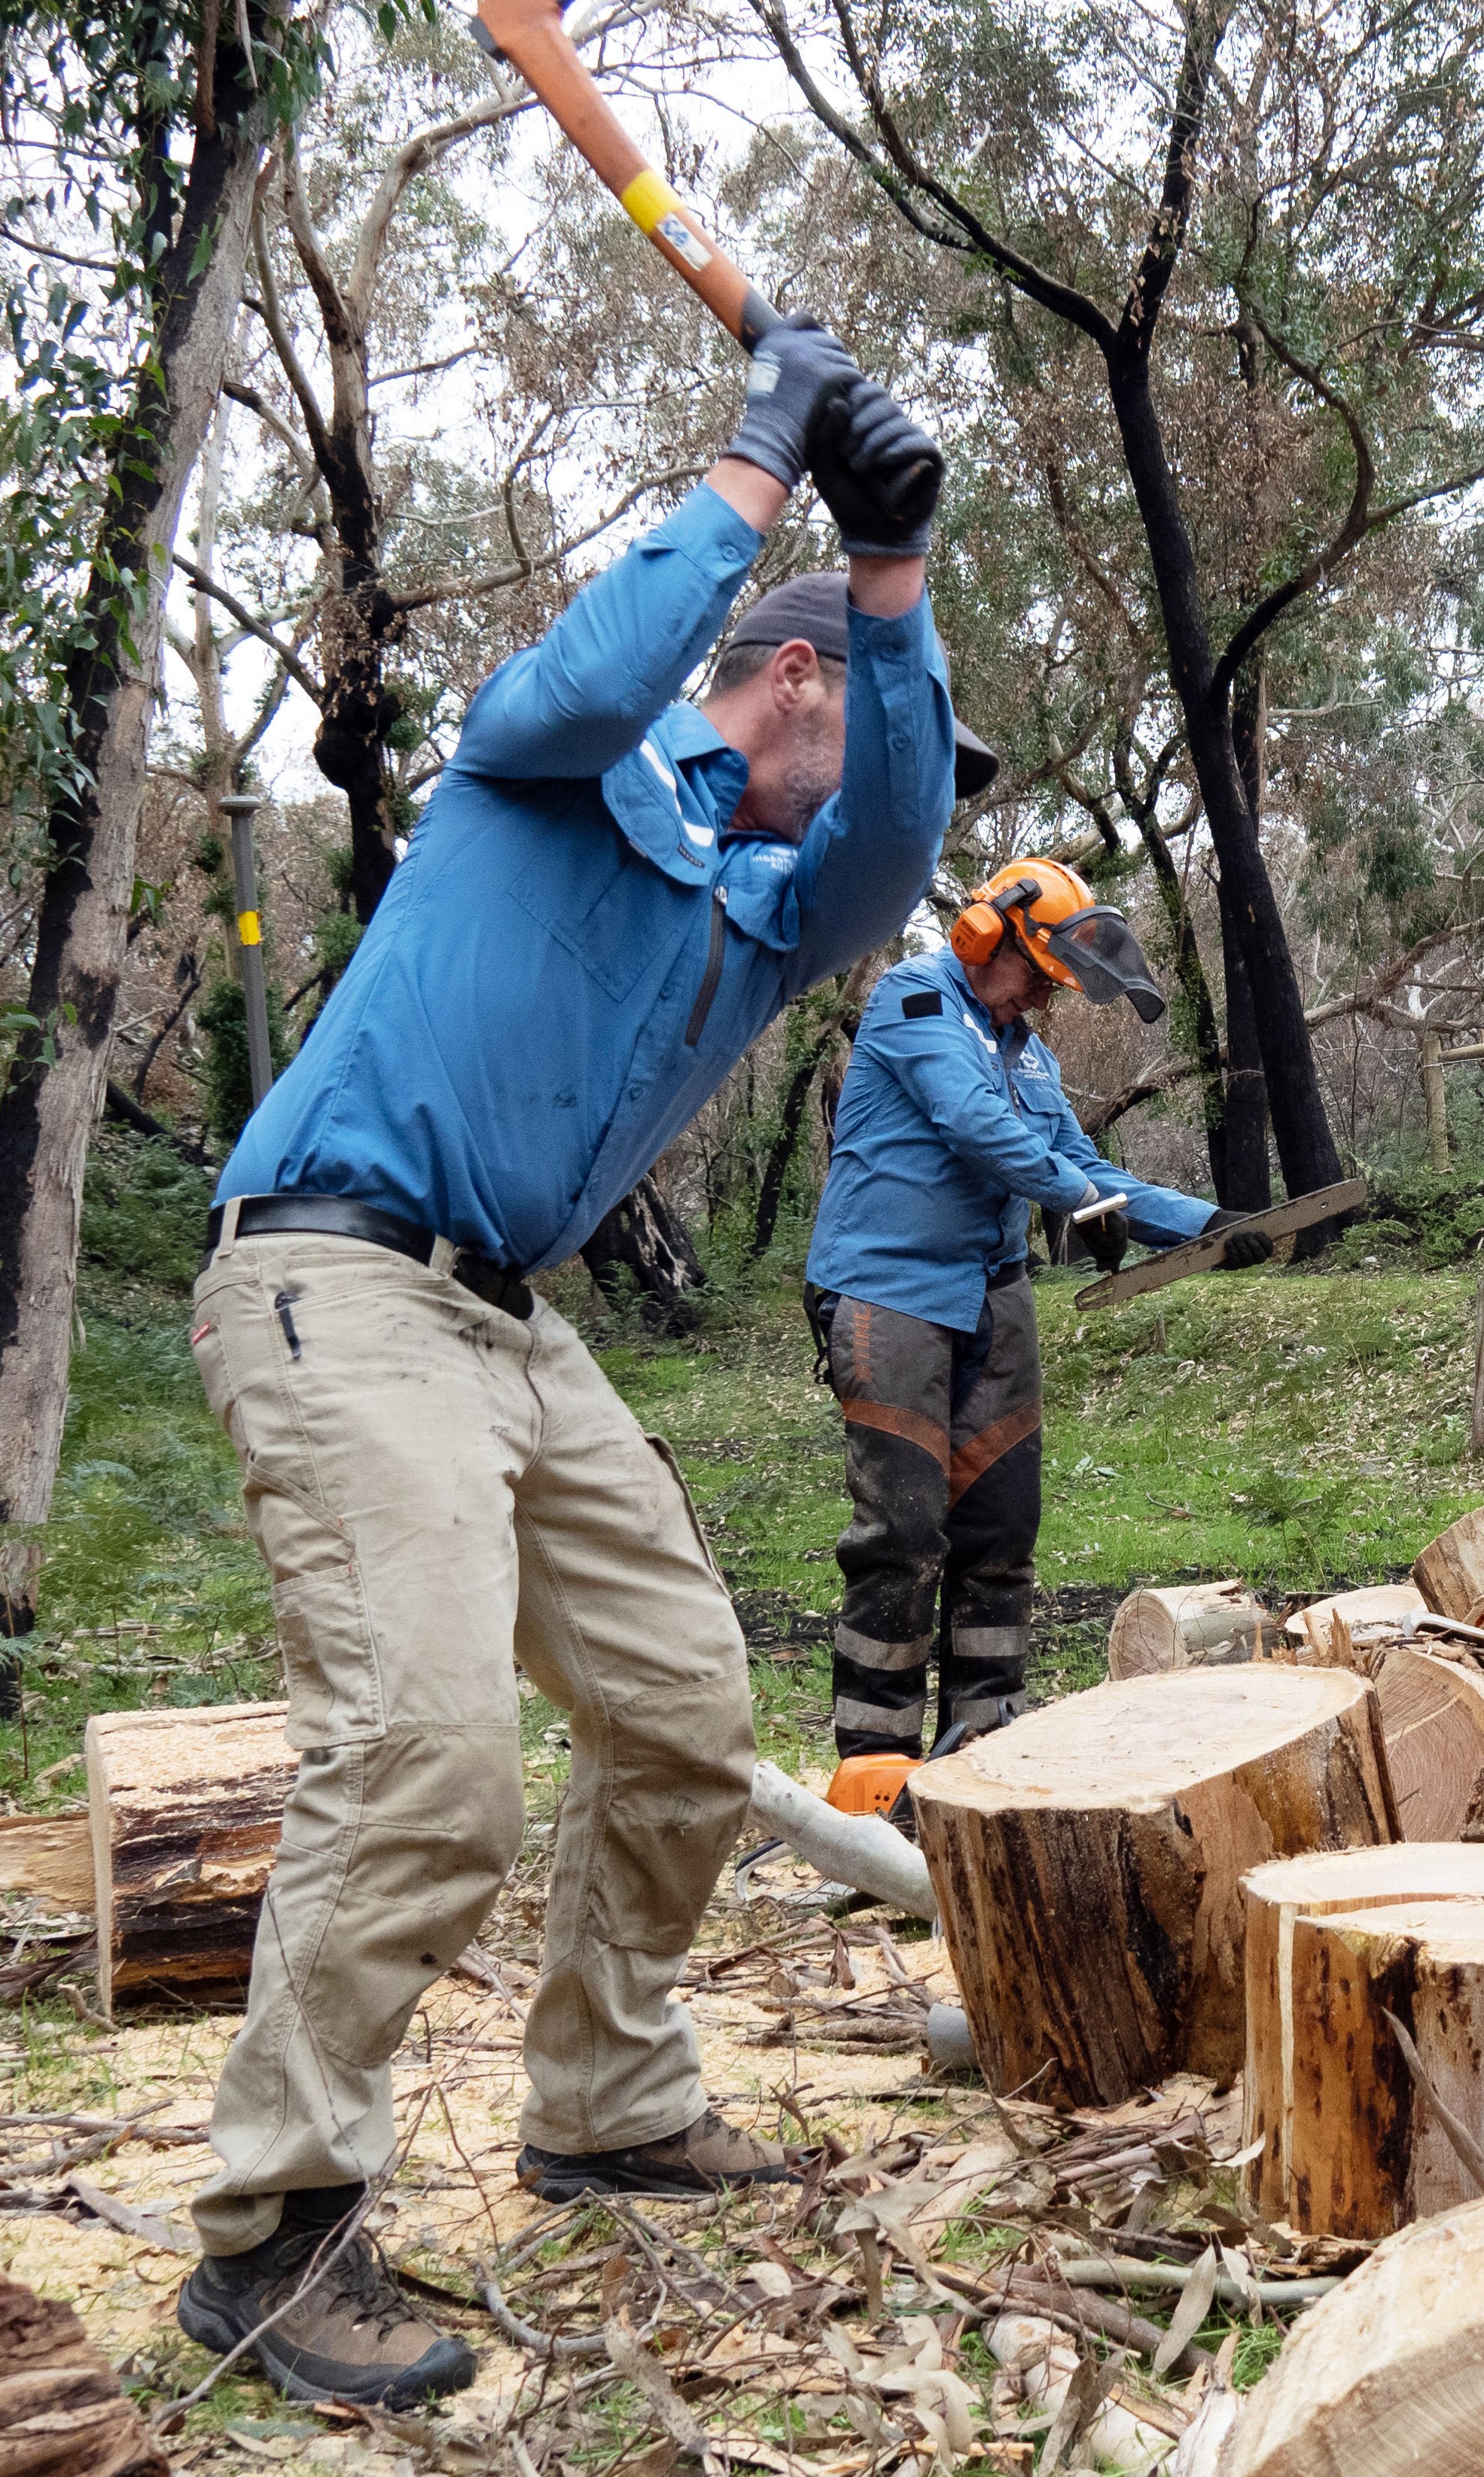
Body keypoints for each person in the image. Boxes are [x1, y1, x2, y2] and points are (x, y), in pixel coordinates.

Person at [175, 326, 977, 2411]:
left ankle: (605, 2096)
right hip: (338, 1279)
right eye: (857, 700)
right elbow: (571, 683)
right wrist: (755, 463)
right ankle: (275, 2232)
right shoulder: (571, 762)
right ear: (775, 681)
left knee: (684, 1713)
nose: (898, 787)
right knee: (429, 1754)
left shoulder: (776, 901)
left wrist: (891, 577)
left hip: (505, 1319)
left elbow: (888, 851)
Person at [800, 861, 1262, 1767]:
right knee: (902, 1533)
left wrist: (1206, 1222)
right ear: (986, 935)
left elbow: (1081, 1162)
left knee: (1002, 1528)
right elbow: (974, 1125)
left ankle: (985, 1741)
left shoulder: (1030, 1056)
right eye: (1038, 981)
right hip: (887, 1293)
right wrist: (1082, 1200)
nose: (1043, 1006)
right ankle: (874, 1765)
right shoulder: (913, 1001)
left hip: (993, 1296)